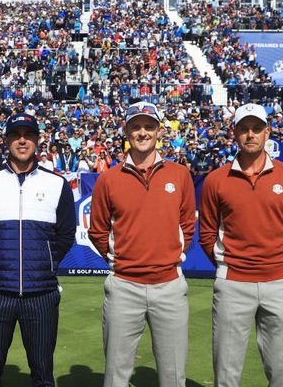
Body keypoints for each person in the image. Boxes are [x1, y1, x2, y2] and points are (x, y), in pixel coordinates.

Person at [197, 104, 283, 387]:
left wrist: (276, 261)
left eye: (256, 129)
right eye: (244, 129)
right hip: (232, 284)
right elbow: (207, 234)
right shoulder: (215, 180)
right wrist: (227, 265)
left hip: (279, 283)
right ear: (234, 134)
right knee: (226, 375)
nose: (250, 135)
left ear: (266, 133)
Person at [88, 101, 196, 387]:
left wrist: (172, 255)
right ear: (126, 131)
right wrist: (121, 259)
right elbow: (98, 231)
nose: (143, 132)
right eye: (136, 127)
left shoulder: (180, 174)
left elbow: (188, 224)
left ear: (159, 131)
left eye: (149, 126)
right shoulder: (108, 179)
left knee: (173, 376)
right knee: (116, 376)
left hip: (170, 286)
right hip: (124, 286)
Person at [0, 113, 76, 387]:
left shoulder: (56, 183)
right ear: (6, 141)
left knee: (43, 375)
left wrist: (46, 262)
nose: (22, 140)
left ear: (38, 140)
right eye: (16, 135)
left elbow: (65, 234)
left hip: (41, 295)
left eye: (28, 135)